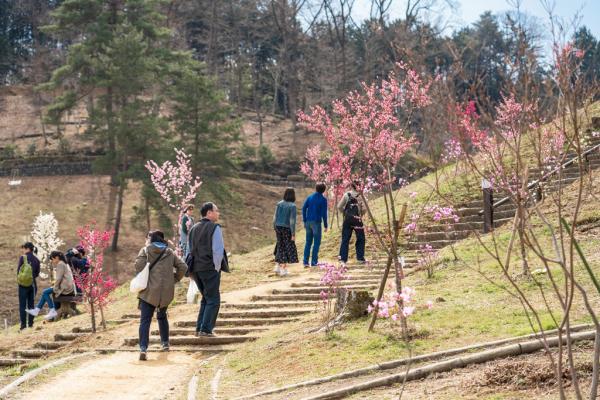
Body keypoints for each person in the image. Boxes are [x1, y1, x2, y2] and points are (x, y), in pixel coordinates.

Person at [135, 230, 187, 361]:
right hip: (165, 292)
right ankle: (165, 343)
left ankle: (143, 348)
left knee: (145, 320)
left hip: (149, 292)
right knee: (162, 317)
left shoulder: (146, 250)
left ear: (151, 239)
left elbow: (138, 266)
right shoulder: (169, 252)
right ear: (162, 240)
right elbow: (183, 267)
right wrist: (174, 279)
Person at [188, 202, 229, 337]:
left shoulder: (194, 228)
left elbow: (189, 250)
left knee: (205, 298)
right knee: (213, 299)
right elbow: (217, 251)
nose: (218, 213)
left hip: (196, 269)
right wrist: (217, 268)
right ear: (209, 213)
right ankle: (205, 329)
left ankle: (199, 328)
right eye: (216, 210)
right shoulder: (214, 227)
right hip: (210, 268)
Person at [26, 251, 75, 321]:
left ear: (57, 257)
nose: (53, 261)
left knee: (45, 292)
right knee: (46, 292)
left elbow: (58, 278)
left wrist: (55, 287)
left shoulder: (60, 264)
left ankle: (50, 310)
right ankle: (38, 310)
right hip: (67, 287)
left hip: (65, 288)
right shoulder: (64, 263)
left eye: (53, 259)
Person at [338, 183, 366, 264]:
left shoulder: (347, 194)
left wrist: (344, 213)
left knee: (345, 239)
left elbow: (339, 206)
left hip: (347, 220)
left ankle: (343, 259)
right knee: (361, 238)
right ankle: (360, 258)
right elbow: (364, 209)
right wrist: (360, 214)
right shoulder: (361, 196)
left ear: (351, 186)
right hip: (357, 220)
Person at [302, 182, 328, 268]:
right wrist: (325, 225)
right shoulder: (323, 200)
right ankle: (313, 262)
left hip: (308, 222)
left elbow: (304, 208)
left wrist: (304, 220)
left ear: (316, 188)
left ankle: (305, 262)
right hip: (316, 222)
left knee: (308, 242)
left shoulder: (310, 197)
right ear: (323, 190)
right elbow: (324, 213)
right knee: (316, 242)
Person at [273, 188, 298, 276]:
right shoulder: (292, 206)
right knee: (287, 247)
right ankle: (283, 269)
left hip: (278, 227)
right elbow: (292, 221)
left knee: (280, 246)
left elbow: (275, 217)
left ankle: (277, 267)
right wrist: (293, 234)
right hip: (287, 228)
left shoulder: (279, 203)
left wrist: (274, 227)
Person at [17, 242, 40, 331]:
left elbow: (18, 271)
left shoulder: (23, 258)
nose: (22, 250)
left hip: (22, 285)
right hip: (33, 284)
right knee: (31, 305)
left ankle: (23, 326)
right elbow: (37, 273)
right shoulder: (36, 259)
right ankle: (30, 324)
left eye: (23, 248)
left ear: (27, 248)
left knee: (22, 305)